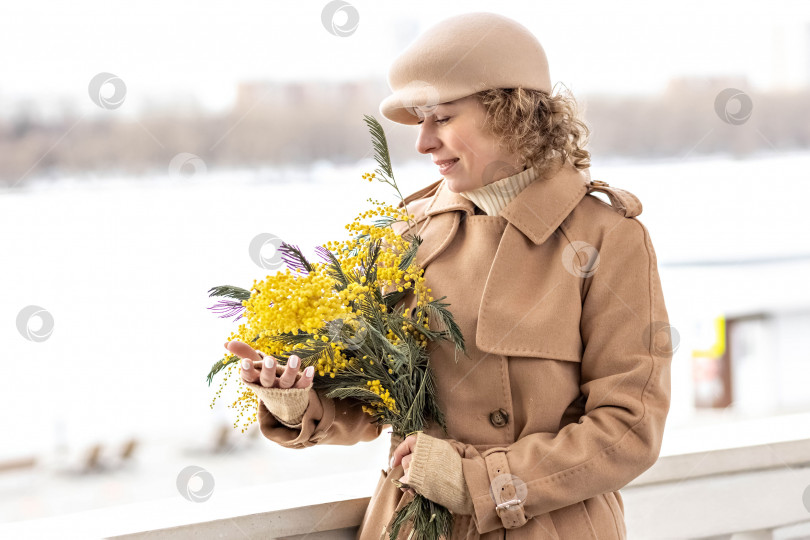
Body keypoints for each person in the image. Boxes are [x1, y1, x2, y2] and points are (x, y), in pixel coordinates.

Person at [228, 11, 673, 540]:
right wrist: (299, 399)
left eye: (441, 117)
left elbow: (628, 429)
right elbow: (372, 407)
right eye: (419, 121)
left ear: (510, 111)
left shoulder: (606, 237)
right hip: (414, 527)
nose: (422, 143)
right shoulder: (406, 237)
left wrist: (480, 482)